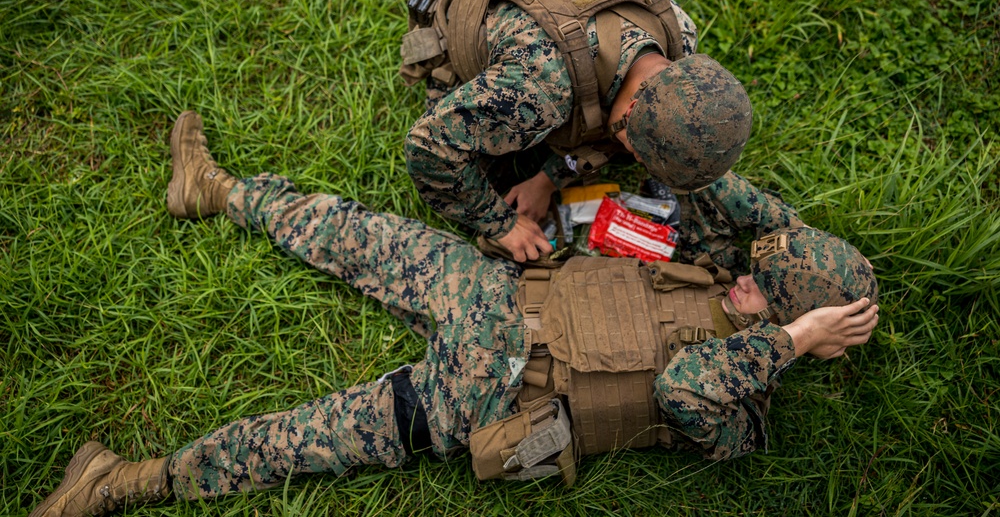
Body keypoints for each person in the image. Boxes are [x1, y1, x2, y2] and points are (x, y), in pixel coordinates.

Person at [29, 112, 878, 517]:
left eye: (768, 298)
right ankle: (216, 192)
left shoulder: (743, 409)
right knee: (359, 232)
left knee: (304, 437)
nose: (745, 285)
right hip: (498, 295)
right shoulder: (728, 268)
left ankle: (120, 483)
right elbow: (710, 183)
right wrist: (781, 237)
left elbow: (687, 389)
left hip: (491, 392)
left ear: (795, 337)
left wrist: (795, 340)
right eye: (761, 273)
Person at [403, 0, 754, 264]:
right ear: (632, 108)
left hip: (561, 14)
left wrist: (547, 179)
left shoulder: (680, 35)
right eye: (636, 150)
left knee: (630, 138)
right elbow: (428, 147)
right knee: (494, 179)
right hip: (480, 21)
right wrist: (503, 225)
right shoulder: (539, 91)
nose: (634, 158)